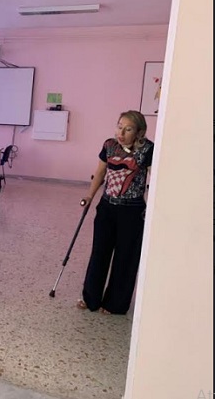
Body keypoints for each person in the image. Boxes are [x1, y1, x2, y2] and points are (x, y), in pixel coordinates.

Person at [77, 110, 154, 315]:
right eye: (119, 127)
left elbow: (154, 178)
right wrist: (90, 196)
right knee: (99, 252)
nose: (121, 133)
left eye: (128, 129)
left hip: (132, 210)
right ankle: (91, 298)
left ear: (139, 132)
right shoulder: (109, 145)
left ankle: (115, 304)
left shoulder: (148, 149)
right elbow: (100, 172)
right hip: (107, 207)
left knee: (125, 257)